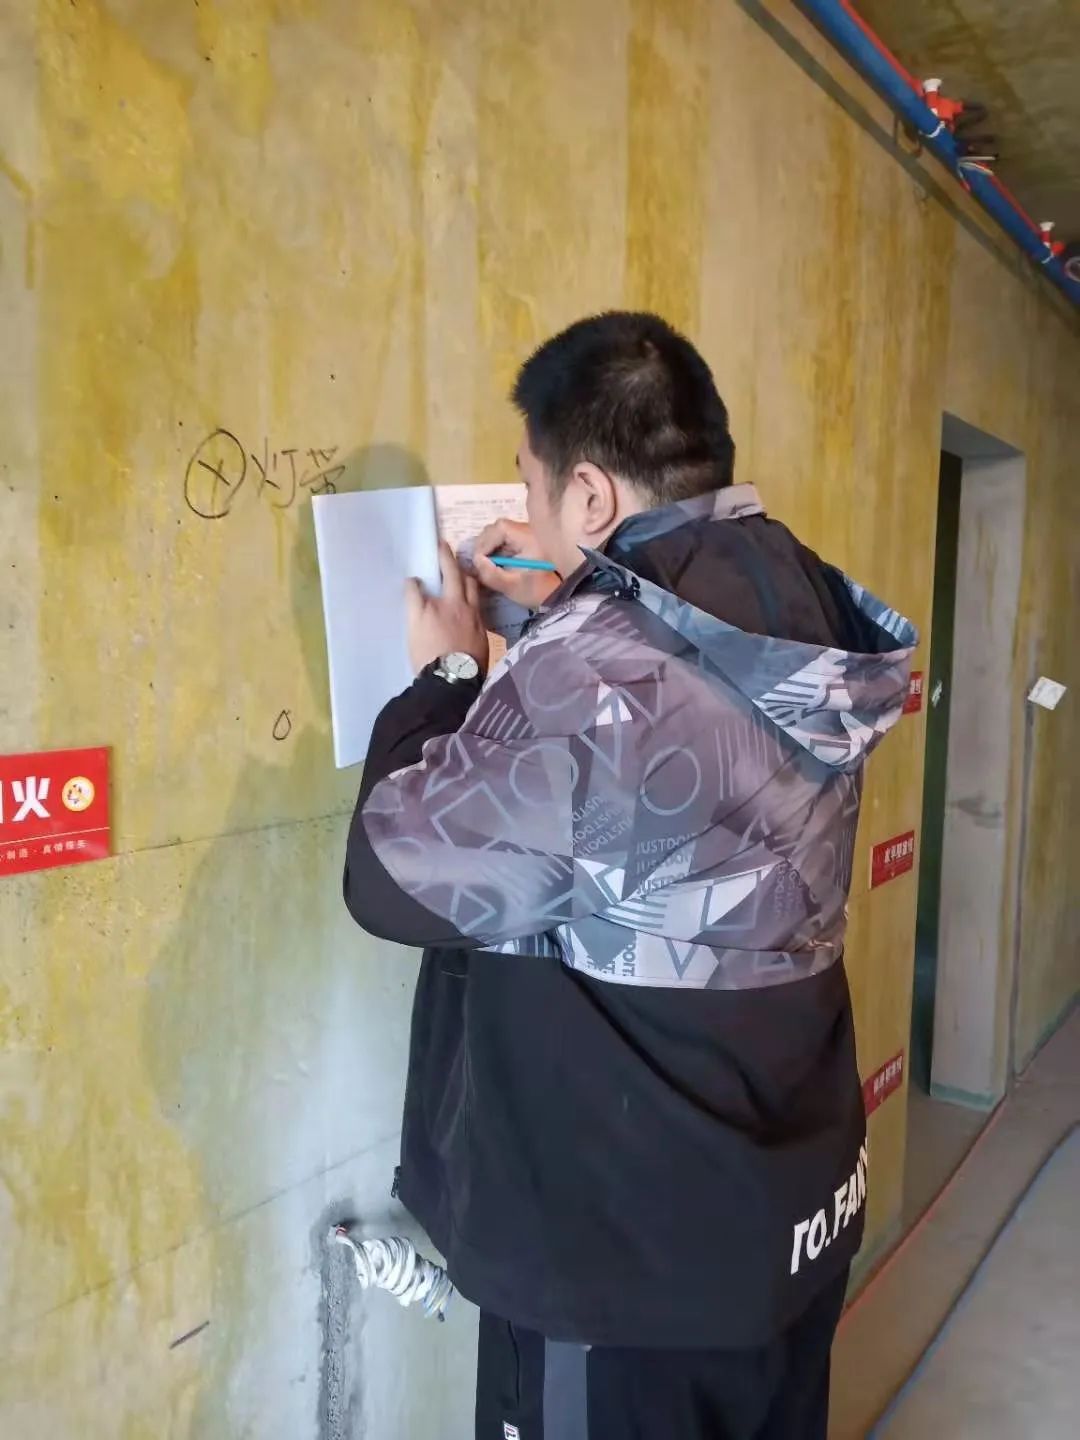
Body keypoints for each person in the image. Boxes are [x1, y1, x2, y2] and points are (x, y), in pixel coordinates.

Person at [343, 312, 916, 1439]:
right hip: (786, 1214)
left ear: (593, 495)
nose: (528, 502)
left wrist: (452, 671)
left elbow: (391, 875)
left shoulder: (593, 673)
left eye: (534, 481)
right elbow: (677, 731)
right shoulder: (796, 597)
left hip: (627, 1263)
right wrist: (575, 598)